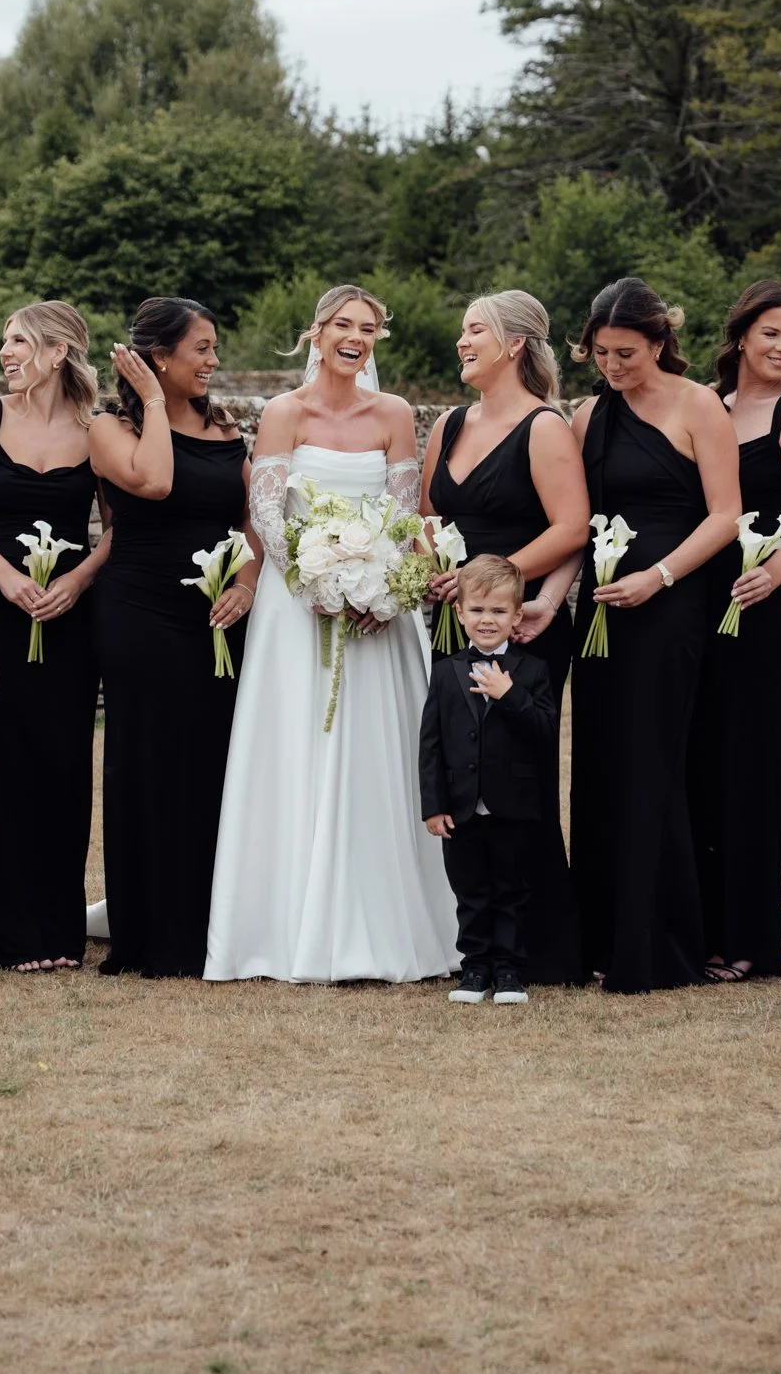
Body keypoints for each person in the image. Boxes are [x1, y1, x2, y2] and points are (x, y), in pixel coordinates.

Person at [205, 283, 459, 984]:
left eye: (368, 328)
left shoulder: (396, 413)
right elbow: (268, 515)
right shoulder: (284, 412)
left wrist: (381, 591)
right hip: (298, 607)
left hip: (380, 612)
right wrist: (320, 585)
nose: (355, 336)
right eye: (342, 325)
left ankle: (394, 922)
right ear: (314, 335)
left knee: (380, 753)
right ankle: (286, 926)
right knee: (298, 749)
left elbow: (405, 519)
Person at [566, 276, 741, 993]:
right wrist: (554, 597)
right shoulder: (585, 415)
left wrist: (659, 577)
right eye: (602, 353)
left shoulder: (699, 405)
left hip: (670, 607)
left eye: (627, 353)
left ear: (660, 343)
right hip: (601, 609)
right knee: (601, 761)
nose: (613, 367)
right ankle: (601, 935)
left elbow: (725, 514)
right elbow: (577, 520)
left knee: (654, 761)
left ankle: (659, 942)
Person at [421, 291, 588, 984]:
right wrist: (427, 570)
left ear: (514, 344)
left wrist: (491, 586)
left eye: (474, 331)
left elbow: (572, 526)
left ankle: (538, 949)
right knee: (462, 770)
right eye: (461, 330)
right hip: (452, 622)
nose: (462, 342)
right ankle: (469, 945)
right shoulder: (449, 425)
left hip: (522, 624)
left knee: (518, 780)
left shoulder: (545, 426)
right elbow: (427, 517)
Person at [89, 297, 259, 978]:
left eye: (215, 349)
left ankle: (212, 920)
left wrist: (244, 584)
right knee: (149, 763)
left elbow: (253, 524)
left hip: (215, 616)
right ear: (158, 359)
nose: (214, 362)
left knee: (213, 764)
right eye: (202, 349)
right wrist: (154, 405)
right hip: (138, 612)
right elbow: (152, 482)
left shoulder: (228, 431)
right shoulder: (105, 427)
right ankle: (150, 931)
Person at [0, 302, 109, 973]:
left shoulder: (97, 429)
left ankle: (56, 932)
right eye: (5, 339)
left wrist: (80, 579)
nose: (6, 352)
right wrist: (7, 578)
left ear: (58, 351)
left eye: (18, 341)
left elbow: (120, 525)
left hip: (68, 620)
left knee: (63, 766)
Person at [686, 281, 781, 982]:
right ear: (740, 334)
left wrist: (775, 576)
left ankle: (746, 938)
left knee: (750, 768)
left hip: (763, 604)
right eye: (770, 333)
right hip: (696, 603)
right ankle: (698, 923)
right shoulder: (705, 406)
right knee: (699, 764)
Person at [420, 553, 558, 1007]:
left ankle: (509, 970)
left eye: (499, 611)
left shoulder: (534, 671)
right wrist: (433, 805)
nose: (487, 620)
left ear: (517, 615)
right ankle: (474, 967)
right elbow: (432, 745)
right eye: (477, 610)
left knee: (510, 891)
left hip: (513, 805)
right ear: (458, 613)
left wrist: (511, 695)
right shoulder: (445, 672)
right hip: (460, 807)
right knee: (471, 891)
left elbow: (544, 732)